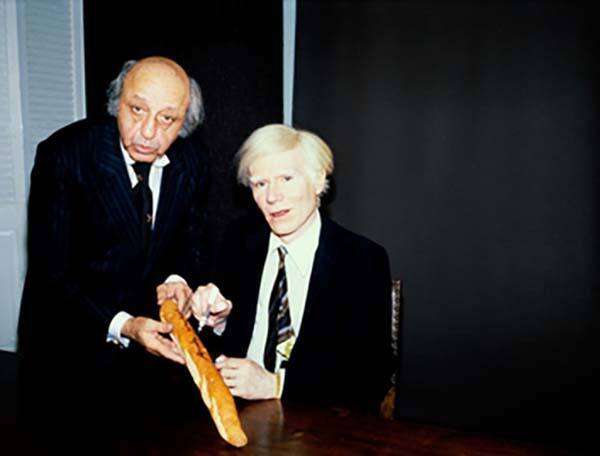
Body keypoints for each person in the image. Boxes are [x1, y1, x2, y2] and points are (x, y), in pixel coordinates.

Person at [17, 57, 216, 433]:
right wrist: (126, 326)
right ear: (117, 103)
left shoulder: (193, 160)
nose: (147, 132)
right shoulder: (64, 156)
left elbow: (192, 234)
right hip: (67, 353)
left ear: (184, 121)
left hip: (147, 363)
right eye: (137, 110)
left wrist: (177, 276)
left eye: (166, 119)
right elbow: (51, 273)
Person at [182, 124, 394, 414]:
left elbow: (371, 378)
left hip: (320, 426)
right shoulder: (240, 242)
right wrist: (218, 321)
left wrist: (276, 385)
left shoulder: (361, 260)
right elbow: (217, 350)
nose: (272, 197)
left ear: (318, 180)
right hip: (236, 416)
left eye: (286, 178)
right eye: (260, 184)